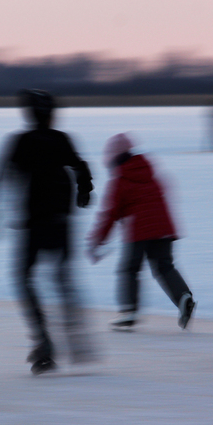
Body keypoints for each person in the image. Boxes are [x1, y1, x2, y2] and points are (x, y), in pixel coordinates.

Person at [0, 89, 96, 374]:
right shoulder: (61, 139)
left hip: (35, 223)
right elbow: (81, 166)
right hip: (60, 220)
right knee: (62, 278)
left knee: (24, 278)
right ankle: (77, 340)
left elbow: (0, 173)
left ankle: (44, 341)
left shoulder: (21, 141)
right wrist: (84, 191)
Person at [86, 132, 195, 331]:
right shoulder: (149, 172)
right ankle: (183, 297)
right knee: (164, 267)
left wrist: (97, 240)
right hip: (164, 228)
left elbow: (110, 214)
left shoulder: (120, 179)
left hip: (139, 231)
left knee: (129, 269)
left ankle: (128, 312)